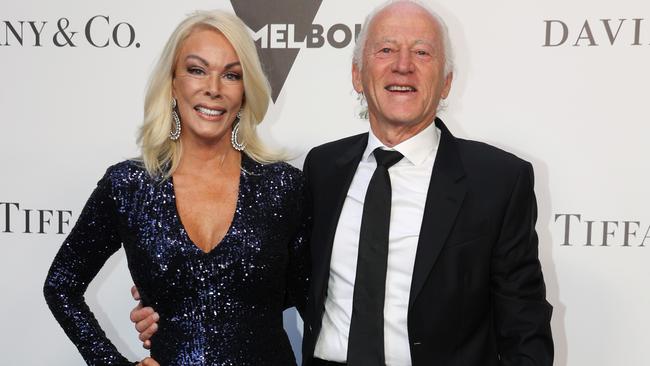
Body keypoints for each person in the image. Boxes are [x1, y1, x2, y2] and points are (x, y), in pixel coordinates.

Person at [132, 1, 554, 365]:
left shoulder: (498, 181)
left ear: (445, 81)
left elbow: (526, 328)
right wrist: (176, 298)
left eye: (422, 52)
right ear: (357, 75)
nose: (402, 64)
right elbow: (273, 283)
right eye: (385, 49)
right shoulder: (323, 168)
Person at [43, 9, 309, 366]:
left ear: (245, 92)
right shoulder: (129, 186)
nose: (213, 89)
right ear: (172, 82)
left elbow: (309, 294)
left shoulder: (283, 186)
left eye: (231, 75)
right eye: (197, 70)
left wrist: (200, 305)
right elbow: (61, 284)